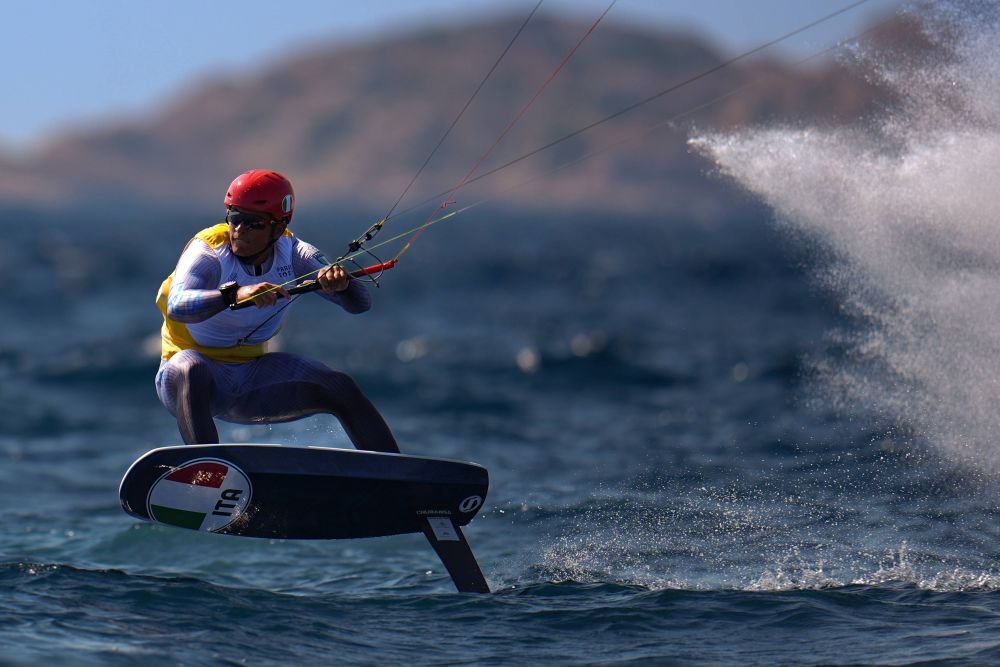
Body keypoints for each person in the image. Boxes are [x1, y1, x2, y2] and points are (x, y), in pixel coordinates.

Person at [154, 169, 399, 453]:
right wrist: (235, 294)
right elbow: (178, 306)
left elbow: (360, 304)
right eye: (235, 218)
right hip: (191, 382)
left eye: (253, 223)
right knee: (192, 368)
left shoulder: (295, 253)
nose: (239, 230)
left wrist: (342, 286)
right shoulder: (208, 252)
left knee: (340, 387)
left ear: (279, 226)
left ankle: (396, 472)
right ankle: (208, 469)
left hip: (252, 380)